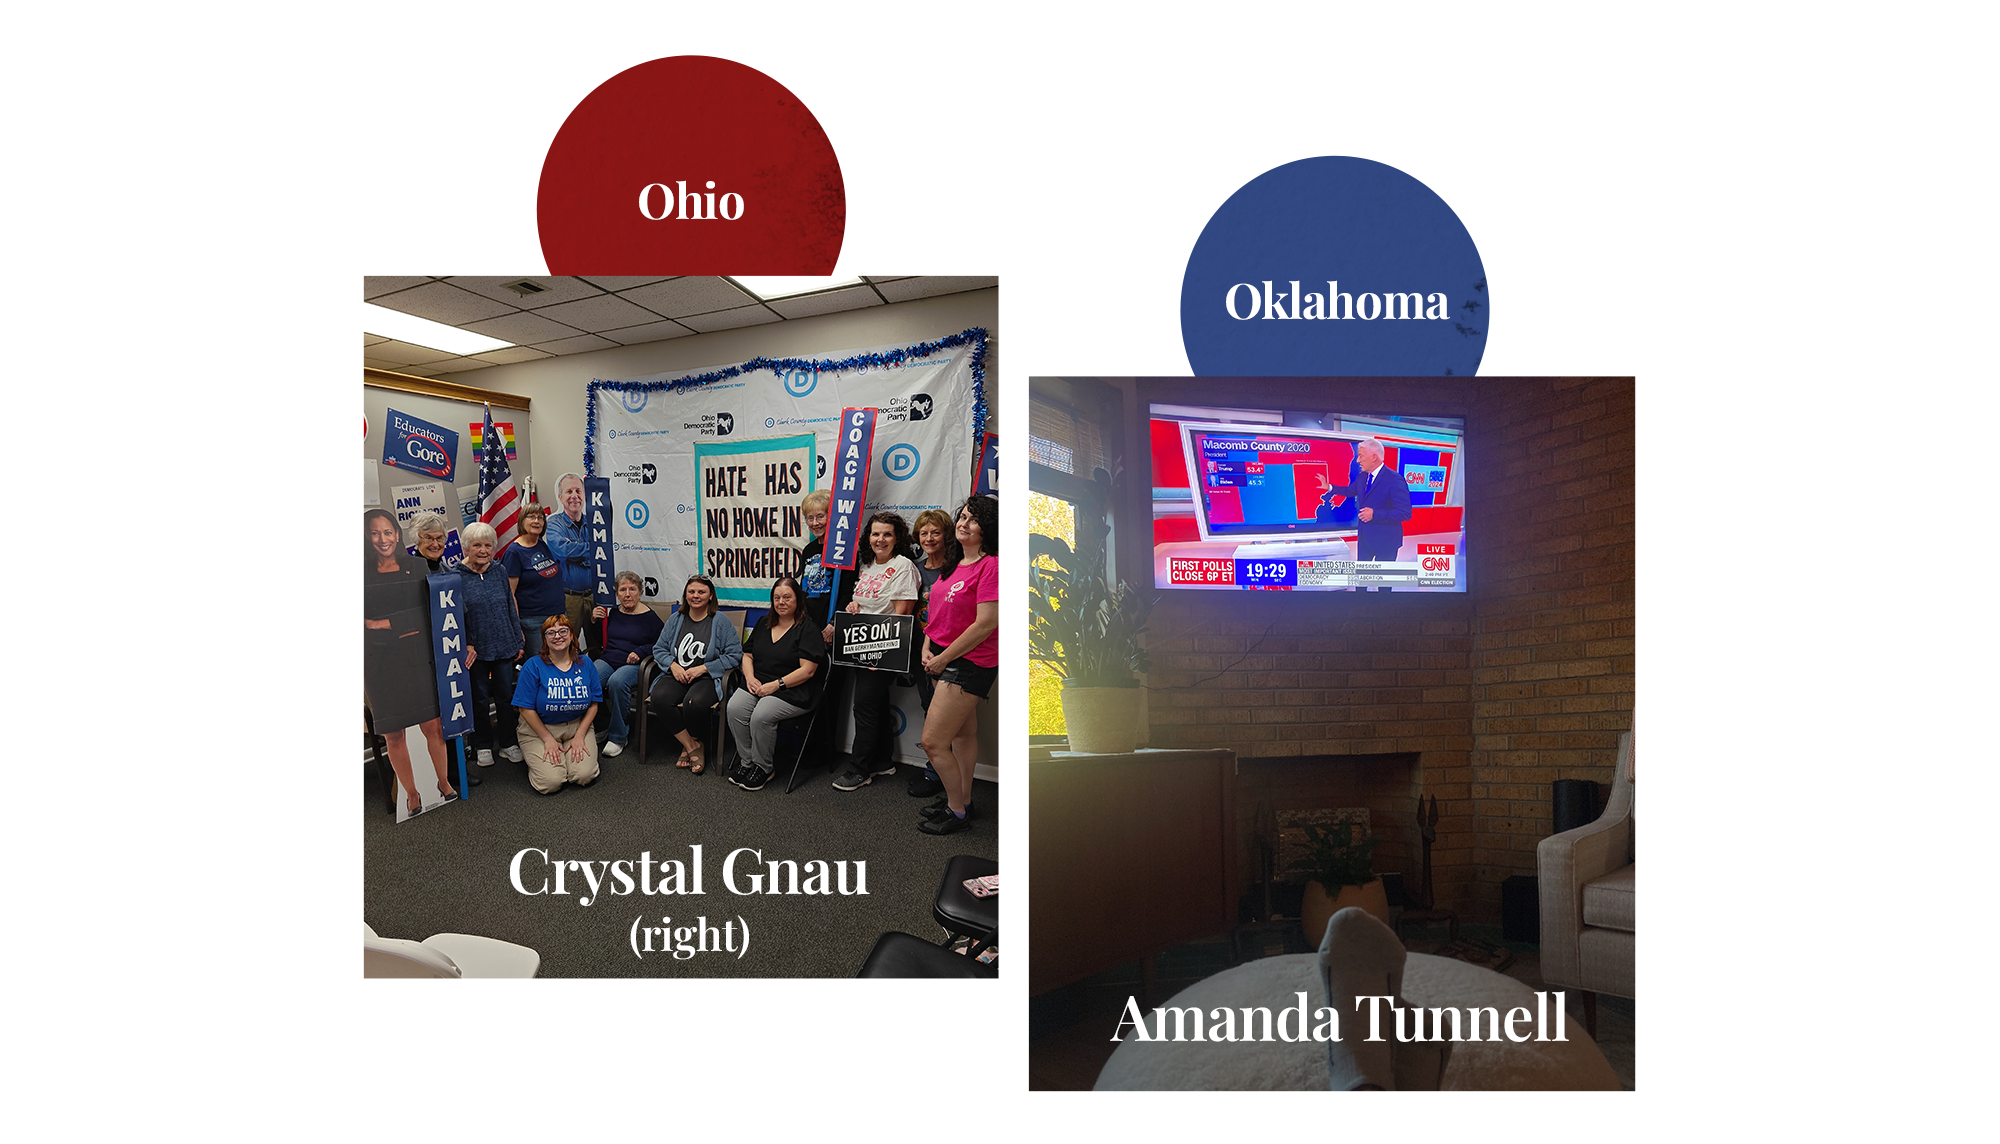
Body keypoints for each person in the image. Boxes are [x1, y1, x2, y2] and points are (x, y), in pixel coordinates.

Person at [916, 496, 999, 834]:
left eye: (973, 519)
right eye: (963, 517)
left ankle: (956, 813)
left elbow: (986, 624)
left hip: (968, 663)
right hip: (940, 656)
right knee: (964, 735)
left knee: (933, 742)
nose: (964, 523)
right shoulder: (952, 564)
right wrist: (926, 646)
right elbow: (935, 615)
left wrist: (944, 658)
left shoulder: (991, 565)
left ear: (987, 528)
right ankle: (963, 800)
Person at [363, 509, 454, 815]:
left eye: (387, 532)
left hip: (417, 658)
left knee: (433, 725)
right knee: (394, 734)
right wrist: (397, 625)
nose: (382, 538)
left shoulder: (416, 567)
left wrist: (381, 624)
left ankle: (442, 782)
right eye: (375, 533)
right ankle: (412, 794)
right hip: (378, 665)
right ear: (366, 537)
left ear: (397, 535)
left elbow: (423, 616)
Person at [831, 512, 919, 792]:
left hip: (882, 650)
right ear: (868, 537)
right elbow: (862, 604)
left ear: (898, 538)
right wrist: (853, 606)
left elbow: (901, 617)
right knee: (876, 705)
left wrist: (879, 654)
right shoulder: (867, 565)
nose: (880, 539)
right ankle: (882, 760)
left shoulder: (902, 566)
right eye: (875, 534)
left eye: (887, 534)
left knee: (865, 707)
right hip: (858, 646)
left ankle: (860, 769)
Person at [725, 576, 825, 792]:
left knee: (762, 715)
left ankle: (764, 768)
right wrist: (750, 678)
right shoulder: (764, 623)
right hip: (759, 683)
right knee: (734, 708)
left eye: (787, 597)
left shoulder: (807, 629)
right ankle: (747, 761)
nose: (781, 602)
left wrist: (775, 685)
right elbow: (747, 655)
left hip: (793, 690)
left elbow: (808, 671)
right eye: (777, 597)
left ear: (798, 599)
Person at [648, 574, 741, 774]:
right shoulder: (676, 619)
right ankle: (691, 745)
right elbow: (659, 649)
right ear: (685, 595)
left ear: (710, 596)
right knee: (659, 697)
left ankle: (693, 740)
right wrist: (673, 666)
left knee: (694, 702)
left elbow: (735, 655)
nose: (696, 596)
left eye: (701, 592)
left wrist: (704, 668)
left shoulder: (720, 621)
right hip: (678, 674)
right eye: (691, 591)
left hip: (707, 677)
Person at [511, 613, 601, 794]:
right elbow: (525, 708)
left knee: (584, 775)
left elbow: (594, 704)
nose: (557, 636)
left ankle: (565, 757)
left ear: (572, 635)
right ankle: (548, 761)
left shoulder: (586, 663)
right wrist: (547, 738)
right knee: (550, 783)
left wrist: (580, 735)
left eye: (563, 631)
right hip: (540, 729)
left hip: (576, 726)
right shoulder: (533, 666)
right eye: (550, 633)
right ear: (544, 639)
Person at [458, 521, 524, 766]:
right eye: (477, 545)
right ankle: (483, 745)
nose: (483, 550)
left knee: (506, 697)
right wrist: (467, 643)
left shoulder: (499, 570)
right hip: (475, 650)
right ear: (466, 548)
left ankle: (508, 742)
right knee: (479, 699)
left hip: (504, 645)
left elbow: (509, 604)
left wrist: (517, 638)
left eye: (488, 545)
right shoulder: (455, 576)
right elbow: (455, 617)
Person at [1315, 438, 1412, 591]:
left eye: (1361, 456)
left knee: (1384, 584)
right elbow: (1349, 491)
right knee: (1361, 580)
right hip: (1365, 538)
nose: (1358, 460)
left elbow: (1405, 513)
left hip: (1386, 541)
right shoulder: (1362, 477)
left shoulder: (1395, 480)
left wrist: (1375, 514)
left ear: (1374, 457)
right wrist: (1329, 487)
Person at [904, 507, 955, 797]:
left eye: (935, 531)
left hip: (949, 648)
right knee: (928, 707)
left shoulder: (957, 568)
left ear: (946, 534)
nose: (929, 538)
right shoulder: (916, 569)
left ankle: (943, 775)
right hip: (920, 647)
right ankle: (935, 770)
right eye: (924, 533)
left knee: (948, 714)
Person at [589, 570, 665, 759]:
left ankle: (618, 737)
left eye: (632, 589)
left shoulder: (651, 618)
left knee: (616, 682)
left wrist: (640, 652)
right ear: (617, 593)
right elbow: (597, 641)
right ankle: (603, 724)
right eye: (623, 590)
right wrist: (594, 621)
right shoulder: (612, 612)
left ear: (640, 592)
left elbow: (662, 645)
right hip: (609, 659)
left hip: (635, 664)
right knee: (589, 679)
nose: (627, 594)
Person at [503, 503, 564, 653]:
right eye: (531, 517)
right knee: (541, 665)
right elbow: (510, 594)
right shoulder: (514, 552)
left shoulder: (541, 544)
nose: (536, 521)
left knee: (559, 661)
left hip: (557, 616)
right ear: (522, 521)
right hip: (533, 621)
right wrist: (517, 628)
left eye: (540, 517)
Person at [545, 473, 597, 644]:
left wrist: (577, 552)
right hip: (569, 598)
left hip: (594, 598)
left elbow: (602, 551)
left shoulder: (595, 523)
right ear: (560, 497)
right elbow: (564, 552)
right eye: (569, 492)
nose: (574, 496)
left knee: (597, 646)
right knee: (566, 645)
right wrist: (589, 551)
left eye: (578, 491)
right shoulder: (553, 524)